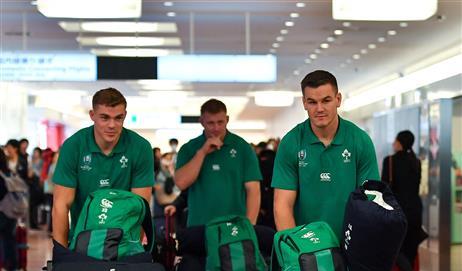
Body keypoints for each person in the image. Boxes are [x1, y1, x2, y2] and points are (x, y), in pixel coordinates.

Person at [272, 70, 380, 238]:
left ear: (338, 99)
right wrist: (296, 250)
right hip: (306, 246)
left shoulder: (360, 141)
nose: (319, 109)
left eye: (326, 100)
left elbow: (370, 201)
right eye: (312, 102)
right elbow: (282, 205)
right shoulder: (291, 142)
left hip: (351, 243)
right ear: (304, 103)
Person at [52, 87, 154, 247]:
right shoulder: (73, 146)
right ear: (92, 115)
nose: (112, 125)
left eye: (118, 118)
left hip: (124, 243)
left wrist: (134, 248)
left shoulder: (140, 147)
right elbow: (61, 205)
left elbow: (139, 207)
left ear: (125, 115)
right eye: (104, 118)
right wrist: (60, 254)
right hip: (82, 242)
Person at [174, 98, 261, 227]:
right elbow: (181, 183)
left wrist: (250, 225)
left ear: (227, 119)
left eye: (220, 122)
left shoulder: (243, 147)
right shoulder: (189, 149)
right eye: (211, 123)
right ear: (201, 122)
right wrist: (202, 152)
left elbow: (253, 190)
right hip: (198, 226)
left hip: (235, 227)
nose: (216, 128)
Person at [382, 130, 426, 271]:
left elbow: (385, 188)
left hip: (398, 211)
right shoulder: (416, 162)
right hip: (416, 211)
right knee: (410, 249)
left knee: (394, 248)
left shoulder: (390, 161)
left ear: (399, 142)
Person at [0, 148, 21, 271]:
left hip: (2, 210)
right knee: (10, 238)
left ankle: (8, 266)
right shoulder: (8, 172)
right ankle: (13, 266)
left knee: (6, 239)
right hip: (12, 210)